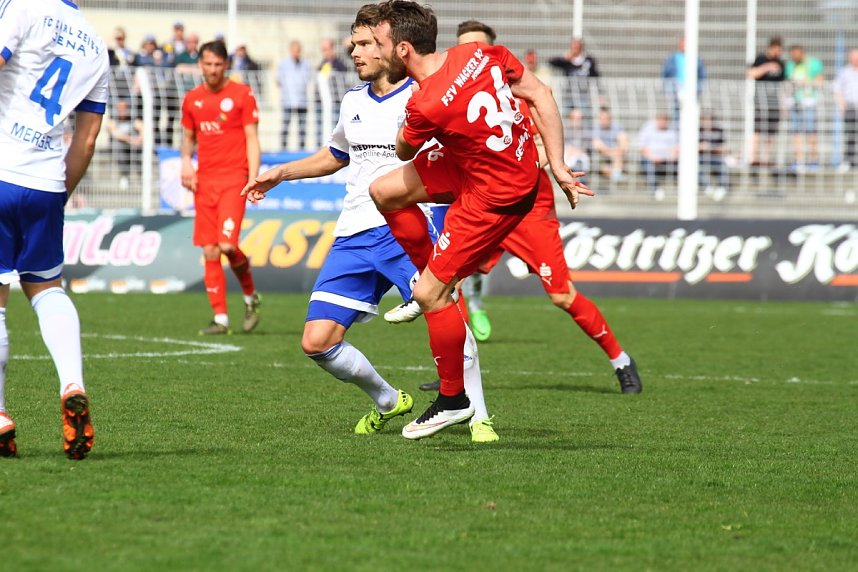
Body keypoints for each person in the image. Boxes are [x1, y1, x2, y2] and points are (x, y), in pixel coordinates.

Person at [367, 1, 590, 439]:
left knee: (433, 294)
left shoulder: (425, 104)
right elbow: (541, 94)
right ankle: (425, 274)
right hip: (493, 165)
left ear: (405, 49)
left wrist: (409, 115)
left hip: (496, 194)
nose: (375, 50)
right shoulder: (478, 53)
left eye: (379, 43)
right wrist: (558, 164)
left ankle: (452, 399)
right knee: (384, 191)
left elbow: (403, 150)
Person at [404, 21, 642, 398]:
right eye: (464, 46)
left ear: (490, 49)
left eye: (477, 46)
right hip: (481, 200)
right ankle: (458, 369)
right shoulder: (449, 92)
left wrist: (548, 162)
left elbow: (544, 140)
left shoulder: (516, 94)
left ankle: (621, 360)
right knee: (446, 282)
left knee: (562, 295)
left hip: (527, 204)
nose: (470, 54)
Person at [240, 6, 431, 438]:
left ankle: (473, 410)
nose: (354, 50)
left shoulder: (421, 96)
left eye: (364, 43)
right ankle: (388, 400)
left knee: (440, 312)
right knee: (316, 341)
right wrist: (280, 173)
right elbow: (335, 157)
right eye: (353, 42)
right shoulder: (352, 101)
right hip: (353, 234)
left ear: (388, 48)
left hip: (403, 226)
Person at [0, 0, 109, 459]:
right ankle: (72, 383)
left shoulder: (22, 7)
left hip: (2, 168)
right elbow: (86, 139)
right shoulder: (97, 45)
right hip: (46, 181)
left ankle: (0, 414)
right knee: (46, 288)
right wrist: (58, 195)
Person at [180, 41, 262, 335]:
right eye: (207, 64)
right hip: (205, 182)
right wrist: (186, 163)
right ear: (200, 65)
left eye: (218, 64)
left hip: (234, 180)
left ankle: (251, 297)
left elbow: (252, 138)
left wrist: (254, 177)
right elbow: (188, 137)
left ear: (225, 65)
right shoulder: (192, 99)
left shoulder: (242, 94)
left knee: (227, 245)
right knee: (211, 250)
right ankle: (221, 319)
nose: (213, 70)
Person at [747, 37, 785, 169]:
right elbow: (751, 73)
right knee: (757, 129)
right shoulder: (761, 59)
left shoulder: (781, 63)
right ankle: (753, 158)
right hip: (761, 101)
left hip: (774, 102)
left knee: (770, 132)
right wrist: (767, 67)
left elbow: (782, 85)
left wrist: (782, 104)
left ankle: (765, 159)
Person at [785, 45, 824, 172]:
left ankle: (813, 160)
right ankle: (798, 160)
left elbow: (819, 81)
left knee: (811, 131)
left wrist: (806, 82)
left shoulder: (813, 63)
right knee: (796, 132)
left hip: (809, 102)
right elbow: (789, 80)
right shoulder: (791, 65)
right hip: (795, 102)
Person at [548, 37, 599, 114]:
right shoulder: (567, 61)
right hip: (569, 94)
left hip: (584, 94)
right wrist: (564, 58)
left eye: (577, 46)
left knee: (585, 115)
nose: (575, 48)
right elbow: (551, 62)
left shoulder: (588, 60)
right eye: (574, 46)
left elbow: (595, 75)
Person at [662, 36, 706, 121]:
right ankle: (677, 129)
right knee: (675, 109)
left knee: (691, 109)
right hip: (676, 86)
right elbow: (665, 74)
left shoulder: (696, 58)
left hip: (691, 86)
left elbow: (702, 74)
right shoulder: (672, 58)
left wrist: (700, 87)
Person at [277, 40, 311, 149]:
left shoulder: (305, 64)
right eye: (294, 50)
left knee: (302, 127)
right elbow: (278, 80)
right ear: (290, 50)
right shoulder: (284, 64)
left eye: (298, 51)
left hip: (301, 100)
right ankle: (283, 147)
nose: (296, 53)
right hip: (288, 100)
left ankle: (301, 148)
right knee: (285, 125)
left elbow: (307, 79)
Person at [638, 112, 679, 201]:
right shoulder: (647, 128)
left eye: (665, 121)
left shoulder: (672, 131)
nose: (663, 123)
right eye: (661, 120)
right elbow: (642, 147)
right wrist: (653, 157)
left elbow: (676, 147)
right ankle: (654, 189)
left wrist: (673, 156)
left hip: (668, 158)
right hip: (651, 157)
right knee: (647, 163)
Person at [107, 99, 144, 191]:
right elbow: (115, 133)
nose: (122, 110)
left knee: (139, 151)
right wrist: (131, 140)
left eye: (124, 108)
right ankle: (124, 177)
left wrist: (139, 138)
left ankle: (142, 178)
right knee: (120, 148)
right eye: (120, 108)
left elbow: (143, 129)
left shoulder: (132, 119)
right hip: (120, 148)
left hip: (133, 147)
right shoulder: (113, 119)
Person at [834, 48, 858, 173]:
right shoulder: (844, 72)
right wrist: (842, 105)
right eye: (853, 57)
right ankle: (849, 161)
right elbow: (837, 89)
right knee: (851, 135)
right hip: (851, 107)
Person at [592, 108, 628, 182]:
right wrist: (612, 152)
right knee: (603, 166)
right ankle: (616, 175)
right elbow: (598, 146)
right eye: (602, 118)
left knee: (619, 156)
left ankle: (615, 175)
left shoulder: (616, 127)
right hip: (601, 156)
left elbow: (623, 141)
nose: (605, 120)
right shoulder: (595, 128)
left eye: (607, 118)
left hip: (616, 155)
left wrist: (618, 150)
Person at [699, 112, 729, 201]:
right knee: (697, 166)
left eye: (709, 121)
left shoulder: (719, 131)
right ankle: (706, 187)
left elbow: (723, 148)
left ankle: (722, 188)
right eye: (705, 121)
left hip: (715, 156)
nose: (708, 123)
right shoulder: (697, 130)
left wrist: (710, 148)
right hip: (701, 156)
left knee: (723, 165)